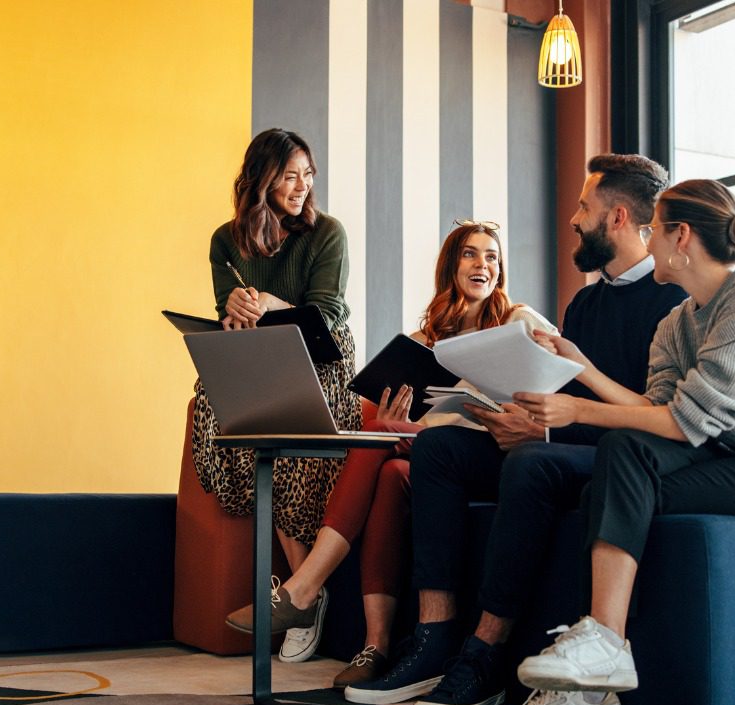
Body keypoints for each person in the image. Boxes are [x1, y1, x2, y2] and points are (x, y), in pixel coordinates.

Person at [344, 155, 687, 705]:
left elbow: (653, 420)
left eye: (584, 207)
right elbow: (554, 390)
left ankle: (485, 655)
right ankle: (433, 639)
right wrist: (515, 415)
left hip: (615, 458)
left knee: (531, 461)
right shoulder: (584, 304)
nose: (573, 219)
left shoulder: (671, 302)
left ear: (619, 217)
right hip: (558, 440)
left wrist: (545, 431)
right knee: (437, 453)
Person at [502, 178, 735, 705]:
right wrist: (579, 365)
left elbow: (683, 421)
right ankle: (594, 694)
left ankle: (603, 651)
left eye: (654, 231)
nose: (646, 242)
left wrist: (577, 411)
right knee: (615, 469)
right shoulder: (676, 323)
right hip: (719, 459)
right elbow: (654, 410)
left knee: (621, 454)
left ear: (681, 236)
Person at [225, 220, 556, 680]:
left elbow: (558, 381)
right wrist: (395, 424)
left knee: (393, 451)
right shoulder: (424, 342)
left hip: (498, 454)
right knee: (384, 458)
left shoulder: (518, 321)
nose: (483, 264)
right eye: (470, 254)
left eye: (492, 256)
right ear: (451, 267)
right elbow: (413, 423)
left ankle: (304, 590)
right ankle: (374, 646)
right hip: (433, 458)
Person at [191, 128, 363, 657]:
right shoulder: (226, 239)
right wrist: (235, 312)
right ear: (261, 179)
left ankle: (300, 597)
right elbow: (228, 307)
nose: (301, 185)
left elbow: (329, 313)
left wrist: (270, 302)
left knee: (287, 450)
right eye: (290, 175)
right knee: (216, 413)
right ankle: (304, 595)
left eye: (307, 175)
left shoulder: (327, 232)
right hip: (260, 356)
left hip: (320, 358)